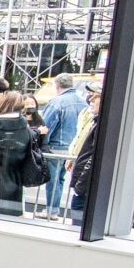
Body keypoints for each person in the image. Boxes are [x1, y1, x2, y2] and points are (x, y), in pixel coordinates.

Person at [40, 74, 86, 219]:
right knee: (60, 179)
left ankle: (52, 210)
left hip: (56, 147)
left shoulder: (56, 102)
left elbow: (46, 126)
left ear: (57, 85)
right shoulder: (83, 102)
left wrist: (42, 145)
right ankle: (53, 209)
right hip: (73, 149)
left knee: (53, 180)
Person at [65, 85, 102, 223]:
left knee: (78, 218)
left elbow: (93, 157)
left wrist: (80, 184)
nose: (90, 99)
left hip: (86, 184)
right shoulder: (91, 117)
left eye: (95, 96)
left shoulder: (102, 125)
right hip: (83, 179)